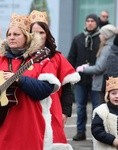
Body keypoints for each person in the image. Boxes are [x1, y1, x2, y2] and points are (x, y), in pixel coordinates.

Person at [0, 13, 64, 150]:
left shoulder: (41, 60)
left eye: (16, 34)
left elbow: (45, 89)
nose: (11, 37)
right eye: (9, 34)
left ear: (27, 36)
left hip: (27, 128)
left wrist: (20, 80)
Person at [29, 10, 80, 147]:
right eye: (34, 32)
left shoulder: (57, 57)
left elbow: (67, 87)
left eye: (42, 32)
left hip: (53, 109)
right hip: (28, 109)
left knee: (53, 142)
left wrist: (66, 112)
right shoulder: (22, 57)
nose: (38, 36)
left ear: (47, 35)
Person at [67, 13, 100, 141]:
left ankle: (97, 133)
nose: (90, 23)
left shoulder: (100, 39)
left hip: (95, 79)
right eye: (88, 21)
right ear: (85, 23)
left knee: (96, 108)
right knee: (80, 107)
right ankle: (80, 132)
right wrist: (72, 73)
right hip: (80, 80)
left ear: (96, 23)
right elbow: (71, 58)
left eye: (92, 21)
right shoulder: (78, 38)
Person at [76, 24, 118, 103]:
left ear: (106, 35)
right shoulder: (108, 47)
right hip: (102, 84)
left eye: (101, 34)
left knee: (99, 109)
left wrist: (84, 69)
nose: (99, 36)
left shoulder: (107, 49)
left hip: (101, 85)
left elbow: (99, 68)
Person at [91, 76, 118, 150]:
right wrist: (113, 141)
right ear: (108, 96)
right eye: (113, 93)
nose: (117, 96)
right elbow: (97, 131)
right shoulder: (101, 111)